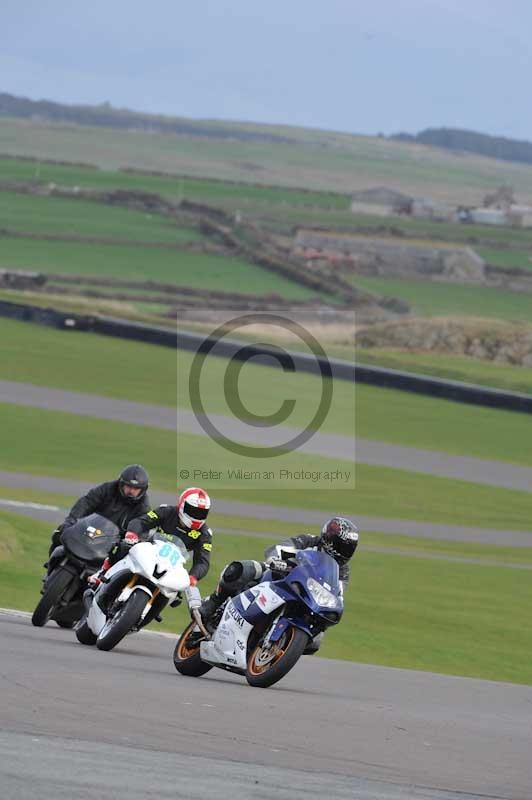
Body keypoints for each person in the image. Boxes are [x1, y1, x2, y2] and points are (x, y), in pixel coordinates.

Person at [199, 517, 359, 653]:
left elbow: (338, 592)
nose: (344, 551)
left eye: (348, 548)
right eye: (341, 546)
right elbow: (285, 546)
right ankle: (213, 603)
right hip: (280, 576)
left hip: (305, 596)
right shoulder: (310, 541)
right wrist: (276, 558)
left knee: (316, 640)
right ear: (329, 539)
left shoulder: (341, 570)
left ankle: (279, 647)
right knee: (243, 569)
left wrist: (335, 606)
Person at [94, 487, 213, 587]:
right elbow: (142, 521)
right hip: (150, 551)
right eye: (193, 511)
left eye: (201, 513)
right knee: (124, 545)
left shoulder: (205, 533)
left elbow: (203, 561)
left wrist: (193, 576)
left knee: (177, 593)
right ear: (182, 505)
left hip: (173, 565)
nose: (196, 516)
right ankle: (103, 573)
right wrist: (133, 533)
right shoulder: (166, 511)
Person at [46, 464, 151, 563]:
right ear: (121, 483)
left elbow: (142, 531)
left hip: (113, 543)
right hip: (89, 529)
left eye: (136, 488)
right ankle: (51, 565)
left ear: (142, 490)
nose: (131, 491)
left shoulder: (143, 507)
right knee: (61, 531)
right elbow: (86, 502)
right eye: (128, 486)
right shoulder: (108, 488)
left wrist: (127, 543)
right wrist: (71, 520)